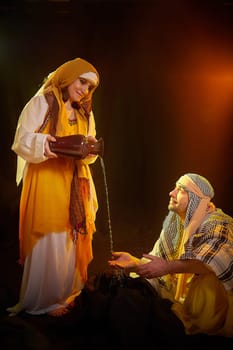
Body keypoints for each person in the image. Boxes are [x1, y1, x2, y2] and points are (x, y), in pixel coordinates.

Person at [7, 57, 101, 317]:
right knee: (51, 237)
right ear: (68, 76)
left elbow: (88, 146)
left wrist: (90, 149)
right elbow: (21, 140)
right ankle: (45, 300)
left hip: (75, 181)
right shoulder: (44, 102)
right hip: (47, 180)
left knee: (72, 235)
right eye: (82, 81)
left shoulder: (85, 110)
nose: (84, 89)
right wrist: (46, 144)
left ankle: (66, 292)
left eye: (90, 86)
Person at [108, 173, 233, 344]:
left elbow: (214, 262)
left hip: (212, 310)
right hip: (181, 300)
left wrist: (168, 266)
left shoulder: (218, 222)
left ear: (197, 198)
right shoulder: (176, 223)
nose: (171, 193)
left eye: (180, 190)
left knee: (208, 280)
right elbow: (161, 263)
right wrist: (135, 263)